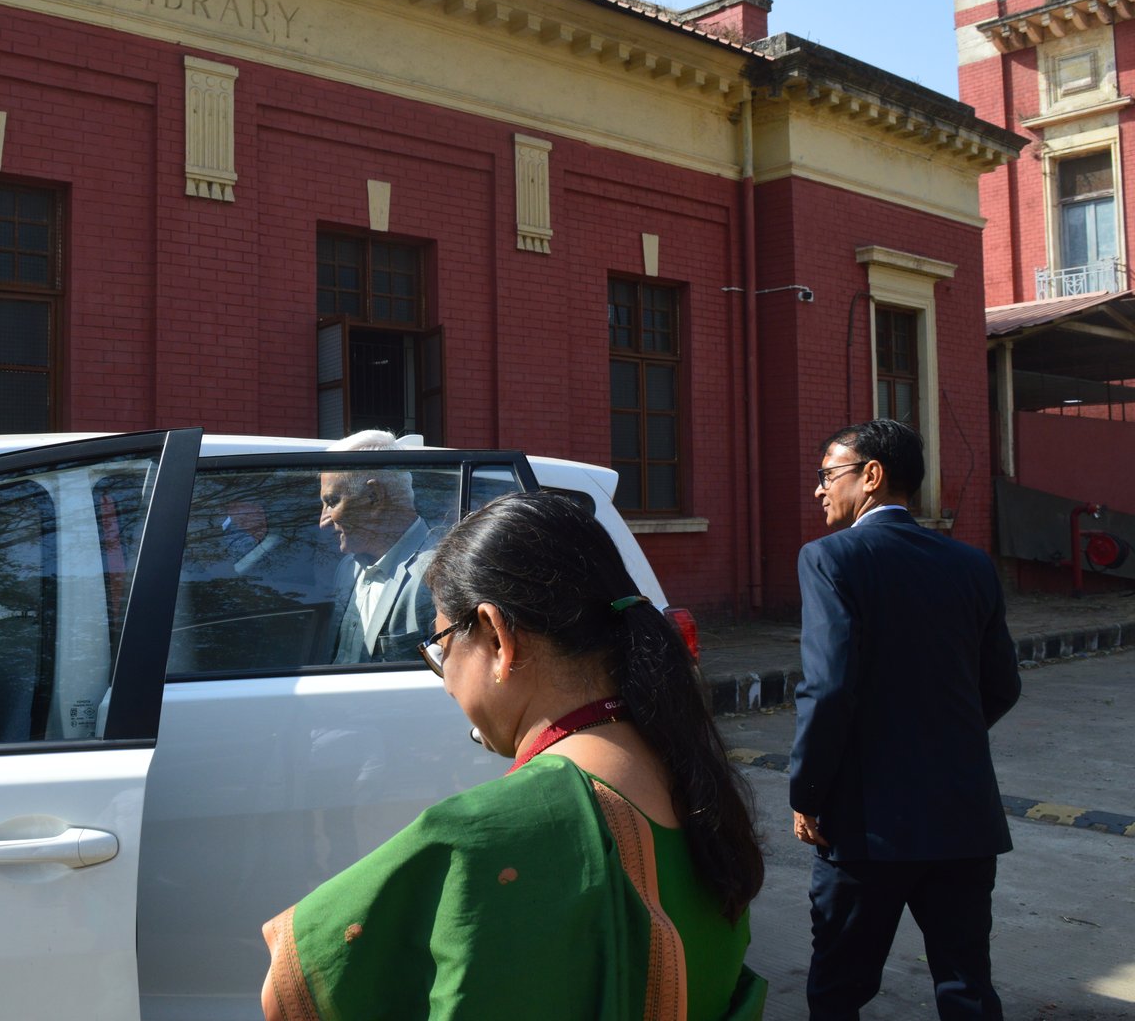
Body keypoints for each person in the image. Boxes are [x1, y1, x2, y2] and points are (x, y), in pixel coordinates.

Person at [262, 492, 767, 1020]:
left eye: (440, 648)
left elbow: (287, 991)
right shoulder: (694, 782)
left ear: (498, 638)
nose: (446, 682)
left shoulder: (481, 836)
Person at [790, 420, 1021, 1021]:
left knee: (837, 990)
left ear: (871, 476)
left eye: (827, 475)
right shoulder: (971, 564)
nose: (818, 489)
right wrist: (941, 739)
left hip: (865, 824)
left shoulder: (830, 558)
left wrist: (807, 794)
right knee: (967, 986)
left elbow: (828, 688)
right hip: (963, 816)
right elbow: (1002, 685)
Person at [320, 429, 437, 662]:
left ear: (373, 496)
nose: (323, 521)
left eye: (332, 502)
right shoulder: (348, 568)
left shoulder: (438, 574)